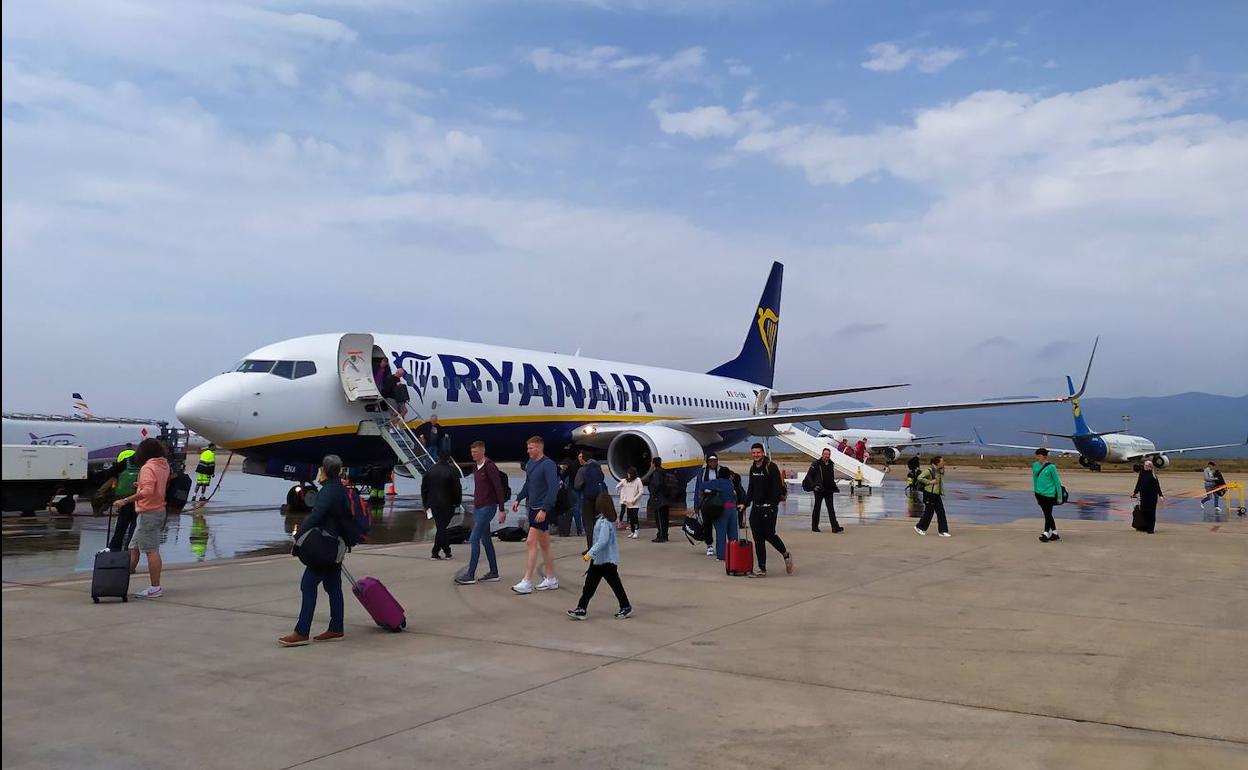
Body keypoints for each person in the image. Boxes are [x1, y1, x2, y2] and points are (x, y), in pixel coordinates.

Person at [279, 455, 354, 646]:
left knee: (308, 585)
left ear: (325, 470)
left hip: (326, 547)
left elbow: (315, 516)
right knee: (333, 587)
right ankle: (336, 628)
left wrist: (297, 537)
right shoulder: (339, 488)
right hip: (336, 545)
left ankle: (302, 632)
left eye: (322, 468)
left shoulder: (329, 491)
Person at [112, 438, 170, 598]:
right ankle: (120, 579)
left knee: (151, 550)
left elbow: (148, 492)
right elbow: (154, 486)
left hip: (149, 512)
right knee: (133, 546)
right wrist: (142, 485)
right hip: (157, 510)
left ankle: (155, 588)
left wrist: (125, 500)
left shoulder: (147, 467)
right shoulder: (163, 465)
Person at [567, 494, 632, 620]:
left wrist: (589, 554)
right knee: (589, 585)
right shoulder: (604, 520)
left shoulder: (605, 523)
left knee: (615, 585)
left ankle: (626, 606)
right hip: (599, 561)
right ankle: (581, 608)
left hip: (606, 561)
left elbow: (602, 541)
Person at [511, 436, 559, 594]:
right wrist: (518, 498)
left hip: (542, 510)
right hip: (533, 508)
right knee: (544, 545)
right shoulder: (530, 463)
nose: (528, 451)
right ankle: (551, 579)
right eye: (528, 448)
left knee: (530, 542)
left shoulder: (548, 465)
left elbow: (553, 489)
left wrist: (545, 510)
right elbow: (528, 483)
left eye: (531, 448)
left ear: (539, 448)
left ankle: (527, 581)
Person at [456, 441, 505, 585]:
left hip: (488, 508)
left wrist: (501, 509)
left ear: (483, 451)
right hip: (478, 508)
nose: (473, 454)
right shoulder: (475, 467)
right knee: (486, 540)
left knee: (474, 538)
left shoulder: (489, 467)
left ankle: (470, 574)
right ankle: (494, 572)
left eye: (476, 452)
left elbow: (498, 488)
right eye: (472, 452)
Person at [745, 443, 793, 577]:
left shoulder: (770, 467)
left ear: (763, 453)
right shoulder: (753, 468)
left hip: (769, 508)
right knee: (758, 538)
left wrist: (772, 504)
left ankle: (785, 553)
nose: (756, 455)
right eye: (754, 453)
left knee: (769, 534)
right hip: (756, 508)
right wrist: (745, 503)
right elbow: (751, 488)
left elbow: (777, 488)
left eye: (758, 452)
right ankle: (762, 569)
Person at [422, 454, 462, 560]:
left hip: (433, 503)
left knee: (441, 527)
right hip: (447, 503)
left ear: (438, 459)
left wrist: (425, 504)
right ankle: (437, 552)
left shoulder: (430, 471)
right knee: (442, 528)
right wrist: (458, 502)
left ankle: (444, 551)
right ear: (448, 460)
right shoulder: (452, 471)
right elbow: (457, 489)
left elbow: (424, 489)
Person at [696, 462, 739, 560]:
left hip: (722, 510)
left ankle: (721, 556)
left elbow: (702, 486)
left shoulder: (718, 482)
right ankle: (734, 554)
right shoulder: (731, 483)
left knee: (721, 533)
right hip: (733, 509)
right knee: (733, 534)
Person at [574, 450, 605, 547]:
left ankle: (591, 547)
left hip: (587, 498)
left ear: (584, 458)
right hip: (599, 498)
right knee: (598, 522)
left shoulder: (582, 470)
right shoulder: (597, 467)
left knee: (588, 524)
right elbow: (602, 478)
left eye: (580, 457)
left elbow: (577, 485)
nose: (579, 459)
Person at [807, 448, 843, 533]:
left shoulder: (831, 464)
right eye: (825, 454)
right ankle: (814, 527)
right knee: (817, 508)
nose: (827, 456)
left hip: (829, 490)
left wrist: (834, 487)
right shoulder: (816, 464)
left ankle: (835, 527)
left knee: (831, 509)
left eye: (828, 454)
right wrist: (813, 486)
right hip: (819, 490)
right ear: (822, 454)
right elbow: (809, 476)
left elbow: (831, 477)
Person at [914, 455, 951, 537]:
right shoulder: (929, 470)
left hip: (936, 494)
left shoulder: (939, 471)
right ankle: (919, 527)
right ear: (937, 463)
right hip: (929, 494)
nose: (943, 463)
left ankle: (943, 531)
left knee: (941, 512)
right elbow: (920, 477)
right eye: (942, 461)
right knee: (929, 512)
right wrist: (929, 482)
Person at [1032, 448, 1062, 543]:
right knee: (1047, 514)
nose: (1038, 458)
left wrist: (1059, 496)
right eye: (1037, 456)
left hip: (1049, 494)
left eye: (1039, 456)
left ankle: (1045, 533)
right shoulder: (1035, 465)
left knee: (1048, 514)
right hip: (1039, 494)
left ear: (1044, 456)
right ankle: (1055, 533)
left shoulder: (1051, 467)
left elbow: (1057, 482)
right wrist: (1035, 491)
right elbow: (1035, 479)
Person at [642, 457, 671, 542]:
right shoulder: (664, 472)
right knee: (665, 518)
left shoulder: (656, 473)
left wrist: (652, 492)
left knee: (660, 518)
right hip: (665, 498)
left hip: (659, 499)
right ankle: (664, 534)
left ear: (653, 464)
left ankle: (661, 536)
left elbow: (656, 484)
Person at [1131, 460, 1164, 534]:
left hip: (1152, 497)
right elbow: (1139, 483)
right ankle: (1144, 527)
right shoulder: (1142, 474)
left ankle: (1150, 528)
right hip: (1144, 496)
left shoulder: (1153, 475)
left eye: (1147, 466)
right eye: (1145, 465)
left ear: (1150, 467)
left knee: (1151, 513)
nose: (1145, 467)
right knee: (1144, 511)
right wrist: (1135, 492)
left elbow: (1157, 486)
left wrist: (1160, 495)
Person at [616, 467, 643, 539]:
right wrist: (624, 499)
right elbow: (621, 488)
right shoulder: (625, 481)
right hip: (628, 503)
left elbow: (641, 491)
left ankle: (636, 531)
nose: (628, 475)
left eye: (629, 474)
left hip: (635, 503)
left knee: (635, 517)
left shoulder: (638, 480)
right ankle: (632, 531)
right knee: (630, 517)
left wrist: (635, 499)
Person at [558, 458, 580, 538]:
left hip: (569, 491)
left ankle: (562, 531)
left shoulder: (568, 470)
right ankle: (579, 529)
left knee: (566, 511)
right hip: (576, 490)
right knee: (576, 510)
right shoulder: (578, 468)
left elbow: (562, 477)